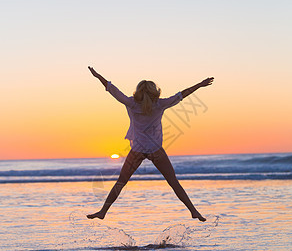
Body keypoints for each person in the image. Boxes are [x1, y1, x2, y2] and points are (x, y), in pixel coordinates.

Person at [87, 66, 214, 222]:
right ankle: (194, 211)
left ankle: (103, 211)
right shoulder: (160, 104)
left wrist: (97, 75)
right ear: (155, 91)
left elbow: (112, 89)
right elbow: (182, 94)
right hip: (155, 149)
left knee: (121, 182)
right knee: (173, 182)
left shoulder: (131, 103)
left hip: (137, 150)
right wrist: (200, 85)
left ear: (138, 91)